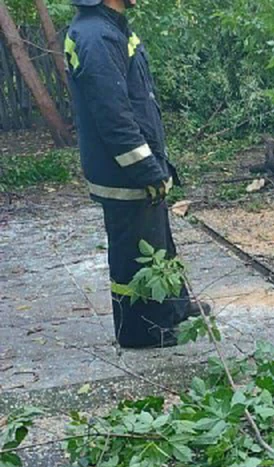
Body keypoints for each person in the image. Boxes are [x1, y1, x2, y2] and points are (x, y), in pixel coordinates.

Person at [64, 0, 206, 348]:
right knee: (136, 257)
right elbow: (114, 117)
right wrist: (145, 169)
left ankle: (172, 309)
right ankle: (143, 332)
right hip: (123, 176)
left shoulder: (110, 27)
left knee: (158, 244)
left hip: (134, 173)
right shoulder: (97, 36)